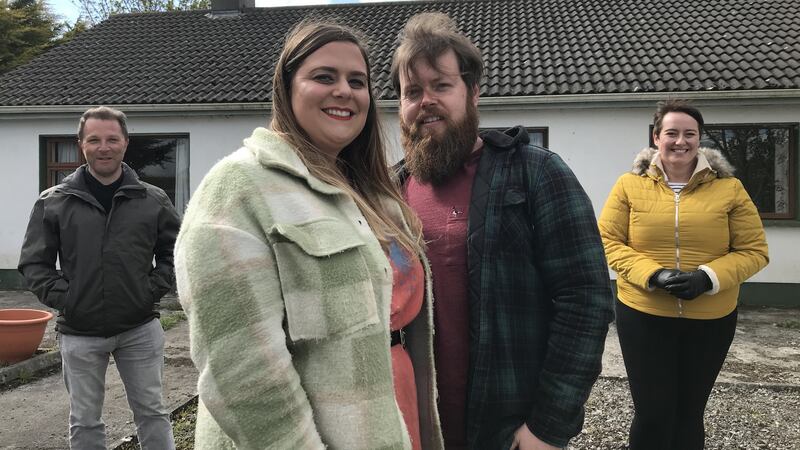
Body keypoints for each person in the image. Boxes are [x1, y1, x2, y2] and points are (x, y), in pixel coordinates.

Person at [174, 20, 443, 450]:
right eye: (324, 76)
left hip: (392, 410)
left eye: (357, 81)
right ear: (286, 88)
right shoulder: (237, 188)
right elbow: (241, 374)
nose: (344, 90)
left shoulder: (376, 195)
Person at [390, 12, 615, 450]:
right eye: (412, 91)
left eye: (441, 85)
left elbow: (586, 300)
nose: (426, 101)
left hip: (506, 432)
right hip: (411, 430)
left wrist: (549, 425)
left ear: (473, 93)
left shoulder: (535, 173)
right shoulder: (388, 191)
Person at [598, 99, 769, 449]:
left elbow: (754, 251)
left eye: (689, 134)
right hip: (644, 315)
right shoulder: (629, 186)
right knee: (652, 412)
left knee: (690, 412)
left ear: (700, 139)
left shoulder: (729, 189)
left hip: (711, 318)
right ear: (656, 137)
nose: (681, 141)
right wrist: (653, 274)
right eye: (671, 133)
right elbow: (606, 241)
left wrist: (707, 278)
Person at [18, 106, 179, 449]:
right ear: (81, 144)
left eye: (112, 139)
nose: (103, 147)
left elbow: (176, 252)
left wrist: (150, 291)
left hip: (139, 328)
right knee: (85, 421)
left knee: (152, 412)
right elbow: (35, 264)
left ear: (125, 143)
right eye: (94, 139)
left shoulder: (152, 199)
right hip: (80, 332)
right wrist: (70, 300)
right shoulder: (54, 202)